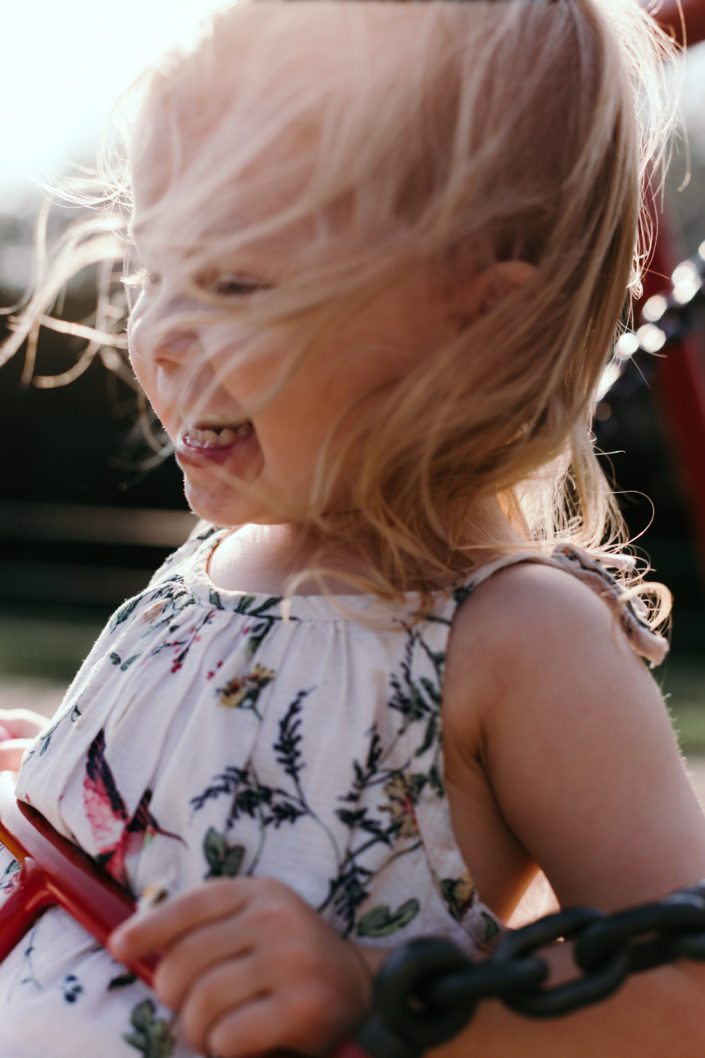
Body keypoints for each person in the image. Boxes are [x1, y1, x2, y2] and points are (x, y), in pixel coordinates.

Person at [1, 1, 705, 1055]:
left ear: (476, 320)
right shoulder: (222, 559)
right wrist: (57, 788)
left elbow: (682, 990)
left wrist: (367, 985)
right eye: (152, 271)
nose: (157, 336)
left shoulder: (519, 637)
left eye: (233, 281)